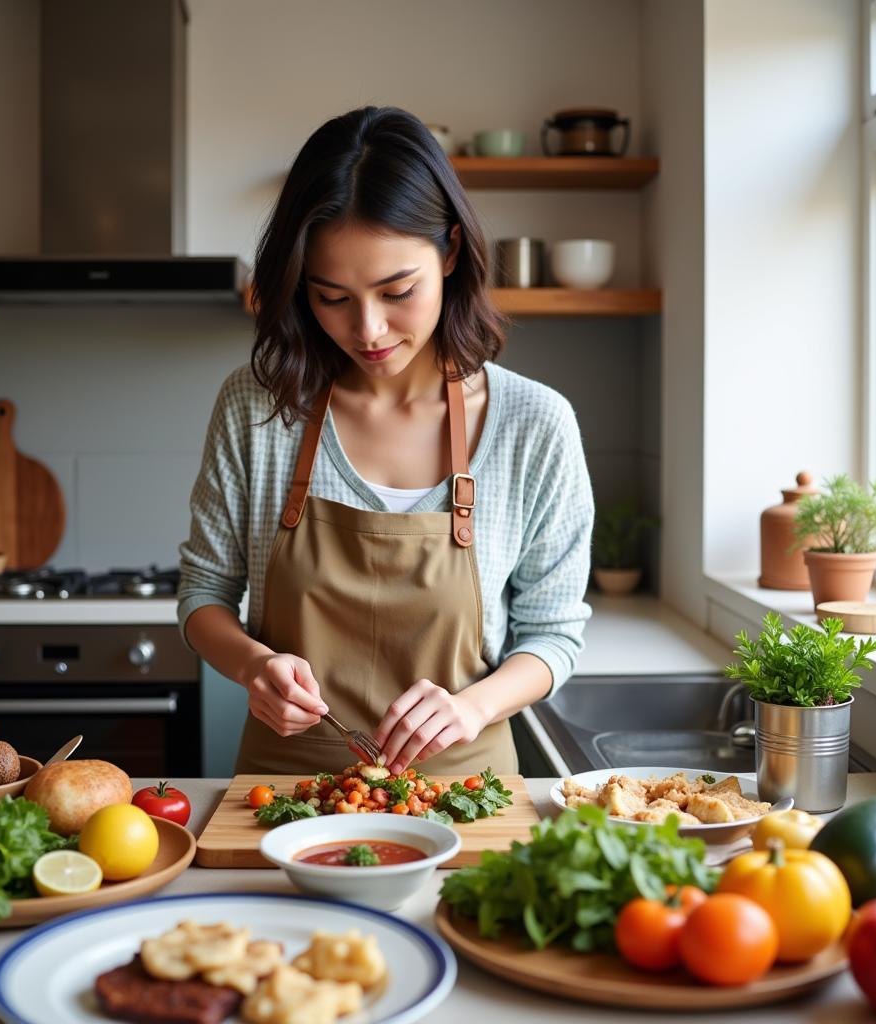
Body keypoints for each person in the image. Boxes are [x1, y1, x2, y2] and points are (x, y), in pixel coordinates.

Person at [178, 106, 593, 777]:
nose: (368, 329)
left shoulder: (534, 423)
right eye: (331, 297)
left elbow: (553, 634)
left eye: (397, 290)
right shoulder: (257, 409)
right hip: (285, 800)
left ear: (451, 252)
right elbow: (202, 594)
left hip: (468, 794)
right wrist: (255, 665)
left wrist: (474, 707)